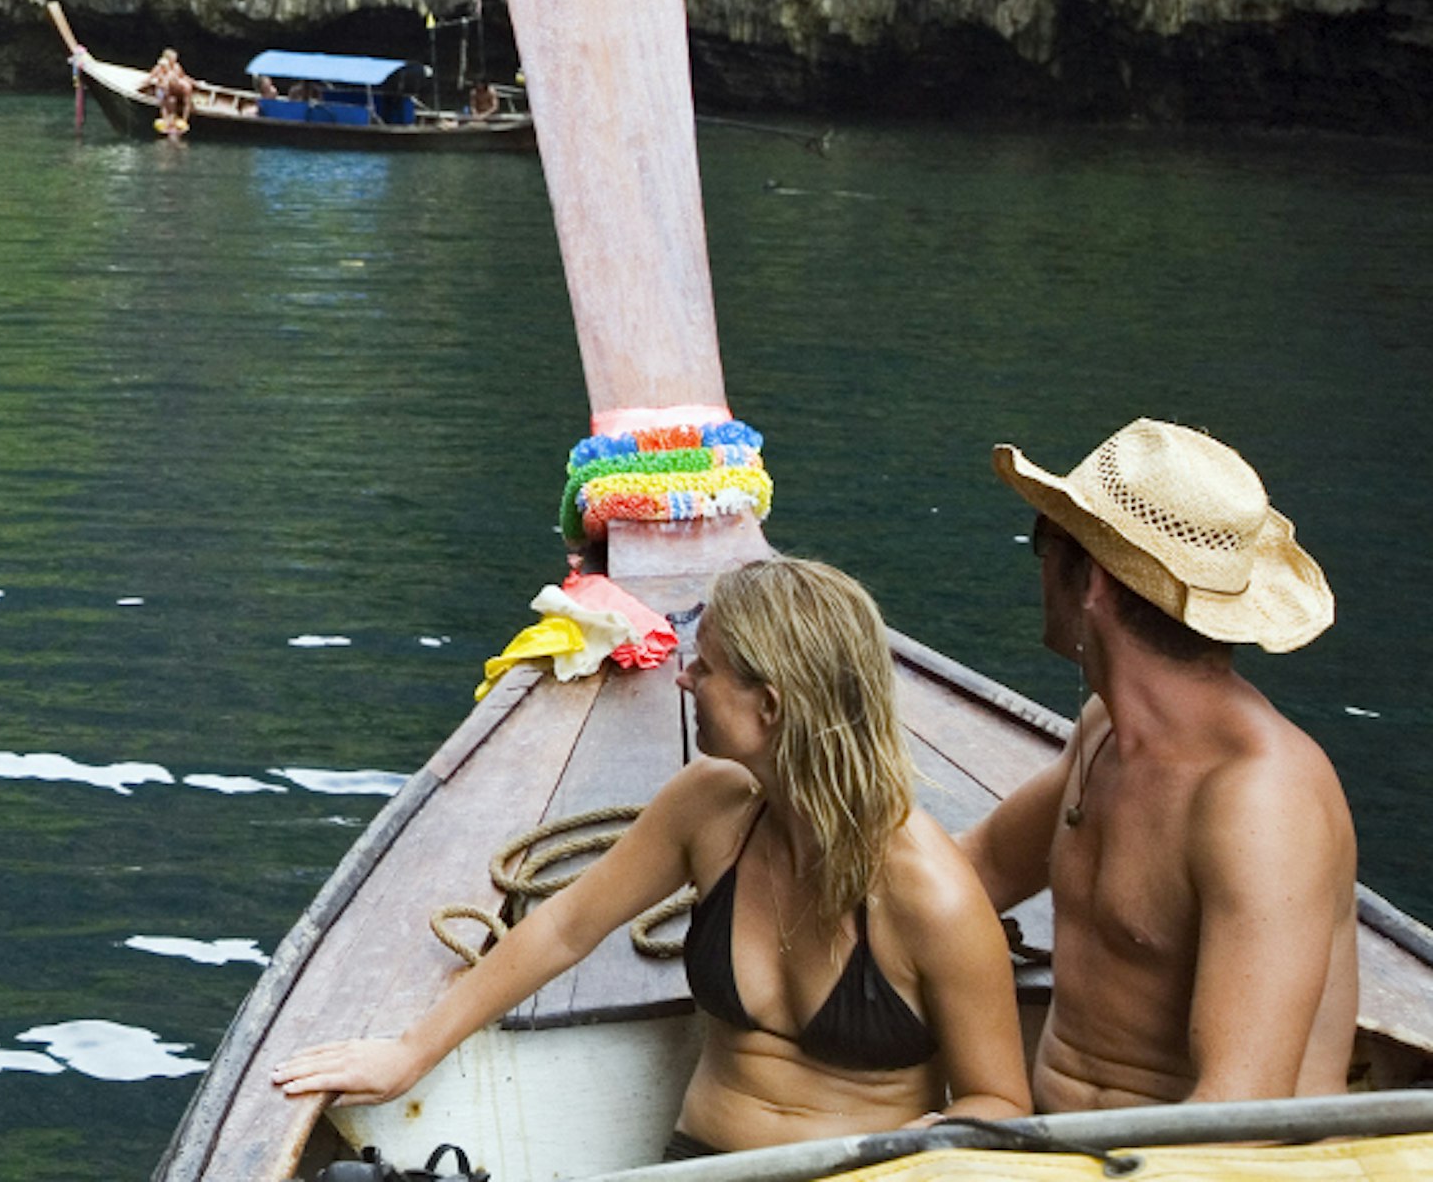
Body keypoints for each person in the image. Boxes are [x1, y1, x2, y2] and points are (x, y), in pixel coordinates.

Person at [275, 556, 1027, 1154]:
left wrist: (929, 1149)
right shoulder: (710, 807)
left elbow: (1001, 1104)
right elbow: (567, 926)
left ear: (768, 707)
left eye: (707, 667)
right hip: (696, 1162)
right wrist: (410, 1052)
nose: (682, 677)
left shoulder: (934, 897)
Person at [961, 420, 1353, 1109]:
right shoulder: (1106, 731)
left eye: (1042, 542)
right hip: (1057, 1145)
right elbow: (980, 868)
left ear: (1094, 584)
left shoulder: (1259, 802)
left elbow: (1241, 1113)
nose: (1037, 567)